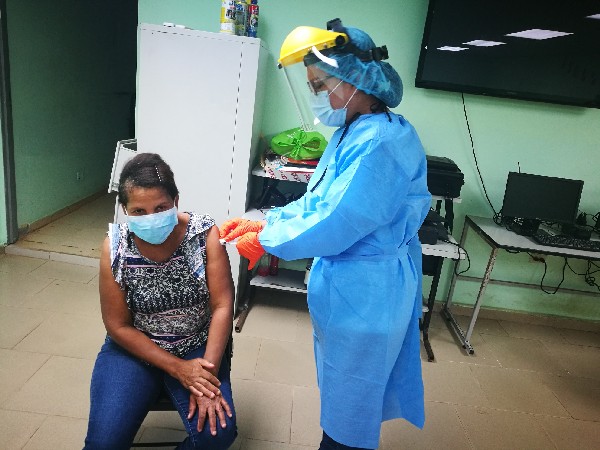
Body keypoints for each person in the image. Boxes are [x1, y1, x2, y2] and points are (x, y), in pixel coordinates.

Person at [220, 19, 431, 450]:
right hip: (350, 286)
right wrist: (267, 222)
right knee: (342, 392)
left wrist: (267, 241)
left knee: (351, 404)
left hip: (368, 293)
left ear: (356, 81)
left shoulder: (380, 142)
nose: (317, 96)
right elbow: (317, 201)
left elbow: (337, 221)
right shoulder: (352, 130)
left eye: (321, 85)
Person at [84, 153, 237, 450]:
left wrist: (205, 373)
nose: (150, 218)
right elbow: (117, 326)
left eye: (161, 208)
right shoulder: (116, 247)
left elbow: (222, 306)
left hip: (196, 344)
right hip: (134, 349)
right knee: (103, 444)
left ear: (176, 201)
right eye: (138, 211)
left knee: (216, 436)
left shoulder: (203, 234)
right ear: (125, 210)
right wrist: (177, 368)